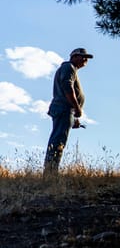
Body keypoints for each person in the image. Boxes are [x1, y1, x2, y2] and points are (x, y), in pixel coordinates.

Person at [43, 47, 93, 177]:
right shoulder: (68, 67)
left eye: (86, 58)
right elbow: (68, 87)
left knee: (59, 140)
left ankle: (51, 172)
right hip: (64, 109)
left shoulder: (71, 69)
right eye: (83, 57)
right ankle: (50, 174)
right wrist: (77, 108)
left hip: (66, 110)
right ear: (74, 56)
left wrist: (74, 119)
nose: (85, 60)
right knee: (58, 141)